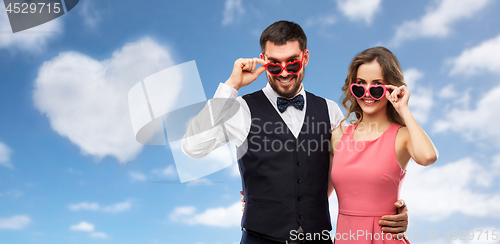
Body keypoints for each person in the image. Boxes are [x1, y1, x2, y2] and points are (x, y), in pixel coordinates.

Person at [182, 21, 408, 244]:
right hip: (259, 239)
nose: (283, 73)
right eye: (274, 64)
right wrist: (231, 85)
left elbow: (358, 172)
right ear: (263, 60)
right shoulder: (241, 108)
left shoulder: (330, 111)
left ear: (305, 58)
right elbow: (193, 147)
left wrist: (390, 209)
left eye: (292, 64)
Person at [329, 46, 438, 243]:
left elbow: (428, 156)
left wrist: (403, 108)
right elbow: (317, 196)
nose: (367, 93)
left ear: (391, 88)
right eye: (360, 84)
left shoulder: (402, 135)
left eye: (377, 86)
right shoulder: (338, 136)